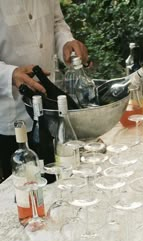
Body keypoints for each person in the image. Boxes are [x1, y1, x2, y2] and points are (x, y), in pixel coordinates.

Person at [0, 0, 88, 181]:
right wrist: (10, 74)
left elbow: (57, 23)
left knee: (61, 181)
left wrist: (66, 42)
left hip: (51, 111)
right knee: (24, 192)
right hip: (11, 119)